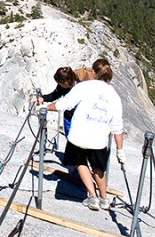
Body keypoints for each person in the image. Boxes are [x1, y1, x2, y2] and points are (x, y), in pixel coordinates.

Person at [43, 58, 125, 211]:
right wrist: (120, 150)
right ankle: (104, 198)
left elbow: (64, 104)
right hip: (99, 139)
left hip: (78, 135)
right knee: (99, 170)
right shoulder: (114, 96)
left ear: (93, 72)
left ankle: (92, 197)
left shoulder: (84, 87)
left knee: (81, 163)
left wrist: (46, 107)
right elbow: (117, 126)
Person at [35, 66, 93, 137]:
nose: (59, 85)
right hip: (67, 119)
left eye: (59, 83)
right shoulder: (62, 86)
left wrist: (46, 107)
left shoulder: (80, 88)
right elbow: (54, 95)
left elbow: (64, 104)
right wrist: (43, 98)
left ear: (66, 82)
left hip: (79, 120)